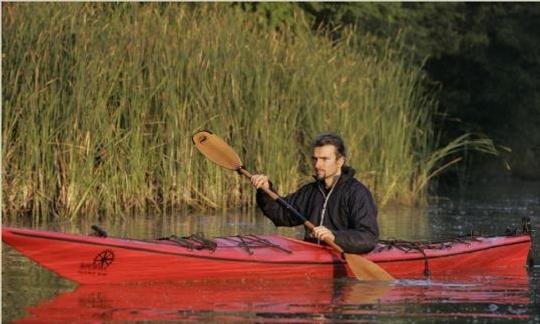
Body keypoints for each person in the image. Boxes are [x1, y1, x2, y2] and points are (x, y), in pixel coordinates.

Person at [251, 133, 379, 253]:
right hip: (313, 254)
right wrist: (265, 190)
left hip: (341, 253)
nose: (317, 165)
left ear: (340, 161)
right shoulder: (310, 191)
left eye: (324, 159)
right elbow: (281, 214)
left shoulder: (357, 193)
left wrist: (335, 237)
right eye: (315, 159)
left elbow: (368, 237)